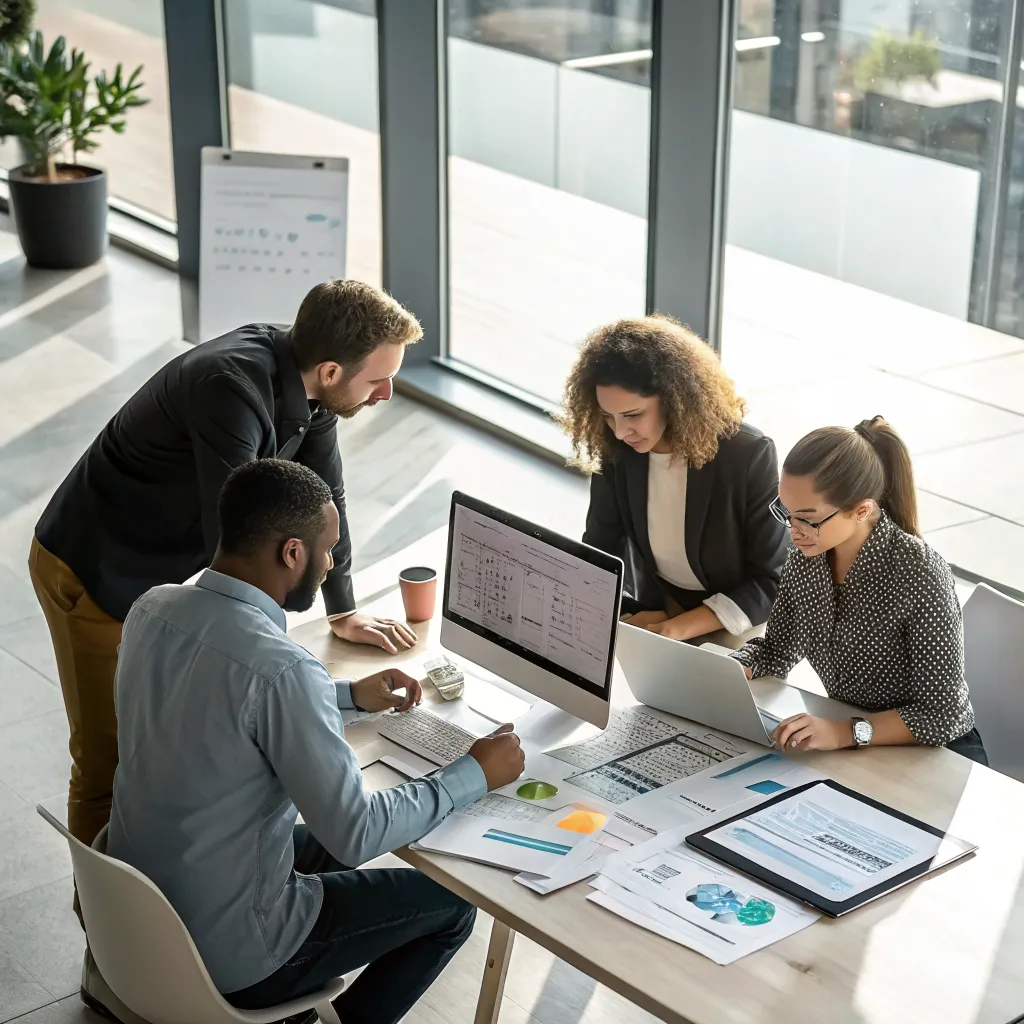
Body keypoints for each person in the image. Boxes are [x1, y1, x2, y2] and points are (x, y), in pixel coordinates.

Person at [105, 459, 525, 1024]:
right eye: (328, 550)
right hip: (233, 957)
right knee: (452, 909)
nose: (331, 564)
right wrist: (473, 772)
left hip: (140, 915)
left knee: (316, 845)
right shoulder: (283, 670)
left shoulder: (151, 608)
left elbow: (222, 699)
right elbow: (357, 833)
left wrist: (347, 696)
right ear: (292, 553)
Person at [29, 279, 424, 871]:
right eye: (378, 379)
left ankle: (172, 899)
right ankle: (106, 920)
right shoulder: (228, 387)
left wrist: (342, 608)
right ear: (332, 370)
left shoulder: (312, 387)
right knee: (108, 762)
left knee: (172, 747)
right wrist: (280, 671)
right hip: (92, 572)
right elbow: (237, 540)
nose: (387, 393)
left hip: (156, 572)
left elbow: (327, 498)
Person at [733, 416, 987, 764]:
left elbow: (943, 714)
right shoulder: (806, 558)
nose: (793, 530)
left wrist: (844, 733)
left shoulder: (919, 572)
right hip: (854, 745)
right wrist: (723, 671)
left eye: (807, 518)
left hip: (936, 755)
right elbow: (777, 651)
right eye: (787, 513)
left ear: (862, 510)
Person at [561, 315, 788, 646]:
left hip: (734, 617)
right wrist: (626, 611)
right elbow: (601, 549)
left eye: (633, 415)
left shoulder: (747, 454)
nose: (620, 432)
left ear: (673, 398)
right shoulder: (618, 451)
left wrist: (677, 627)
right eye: (608, 417)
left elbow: (771, 579)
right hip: (659, 607)